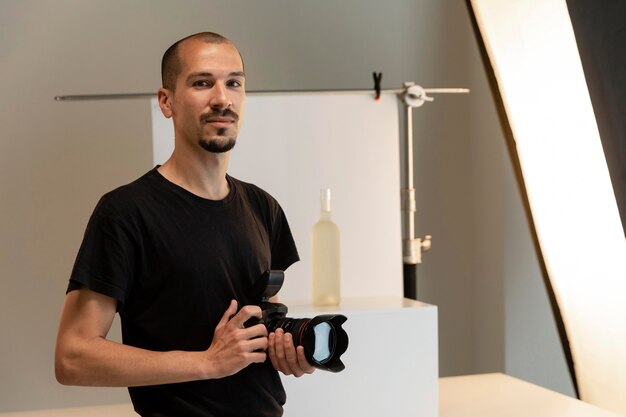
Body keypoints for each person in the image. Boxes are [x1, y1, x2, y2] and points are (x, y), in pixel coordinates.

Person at [55, 32, 314, 417]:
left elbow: (264, 322)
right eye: (202, 82)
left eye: (234, 83)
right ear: (167, 101)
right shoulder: (125, 212)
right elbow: (72, 357)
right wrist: (206, 362)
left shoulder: (263, 207)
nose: (222, 98)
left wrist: (289, 352)